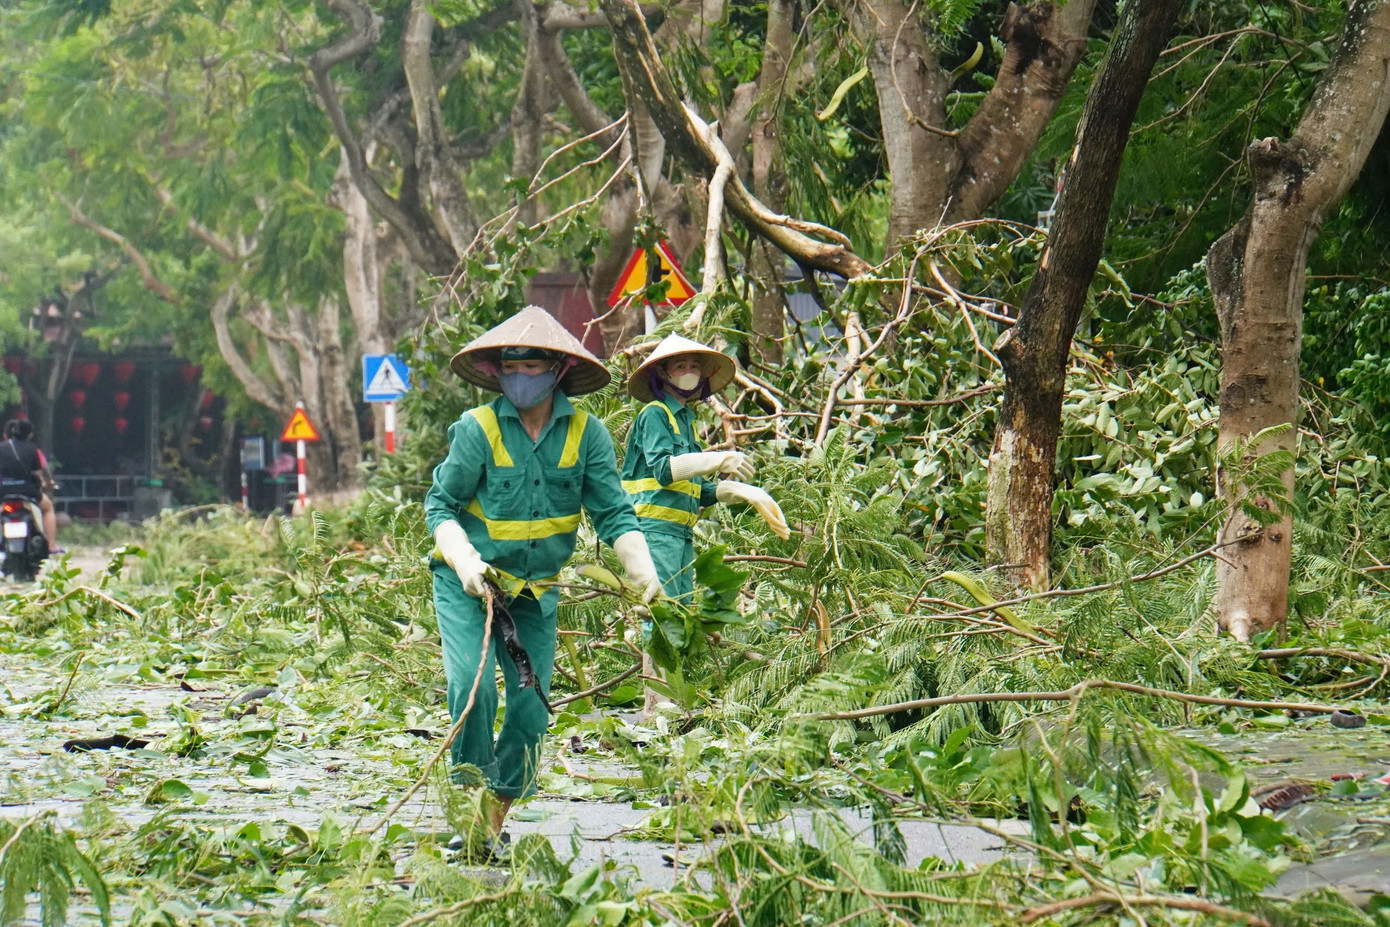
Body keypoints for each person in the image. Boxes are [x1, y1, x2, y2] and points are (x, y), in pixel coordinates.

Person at [425, 306, 662, 856]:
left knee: (531, 710)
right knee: (473, 690)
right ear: (497, 371)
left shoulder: (587, 434)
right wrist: (464, 560)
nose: (520, 377)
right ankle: (469, 809)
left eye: (531, 366)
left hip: (535, 592)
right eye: (510, 366)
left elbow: (614, 512)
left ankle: (491, 818)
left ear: (557, 371)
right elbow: (440, 505)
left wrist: (643, 572)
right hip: (469, 583)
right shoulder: (478, 429)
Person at [620, 335, 790, 713]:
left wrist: (734, 491)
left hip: (679, 533)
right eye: (680, 366)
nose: (688, 372)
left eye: (694, 366)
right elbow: (665, 471)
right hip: (652, 530)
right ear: (662, 373)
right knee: (661, 614)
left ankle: (672, 700)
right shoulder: (655, 415)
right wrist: (718, 459)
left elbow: (694, 490)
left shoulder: (687, 422)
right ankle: (656, 706)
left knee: (679, 614)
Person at [0, 419, 59, 551]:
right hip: (27, 491)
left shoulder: (1, 448)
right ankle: (51, 545)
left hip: (3, 491)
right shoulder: (32, 449)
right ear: (30, 434)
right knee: (48, 508)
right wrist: (48, 483)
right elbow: (40, 472)